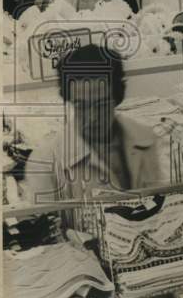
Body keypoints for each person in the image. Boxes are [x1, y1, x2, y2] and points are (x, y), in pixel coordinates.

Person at [25, 45, 159, 203]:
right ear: (69, 101)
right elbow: (41, 225)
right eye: (81, 105)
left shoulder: (147, 139)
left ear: (117, 97)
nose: (92, 117)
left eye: (101, 104)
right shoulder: (44, 163)